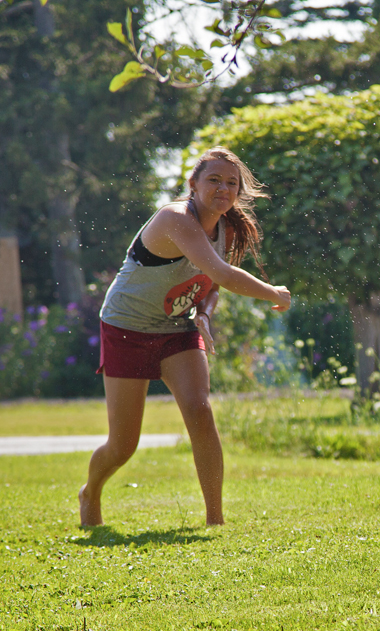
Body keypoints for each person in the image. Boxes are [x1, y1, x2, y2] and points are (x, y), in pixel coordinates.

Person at [79, 146, 291, 527]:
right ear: (193, 184)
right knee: (123, 445)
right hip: (127, 327)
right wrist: (274, 293)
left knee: (200, 411)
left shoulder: (224, 226)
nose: (223, 188)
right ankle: (90, 492)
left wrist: (205, 315)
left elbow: (211, 282)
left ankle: (215, 521)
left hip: (177, 328)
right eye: (213, 180)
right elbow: (225, 274)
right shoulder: (175, 218)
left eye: (231, 182)